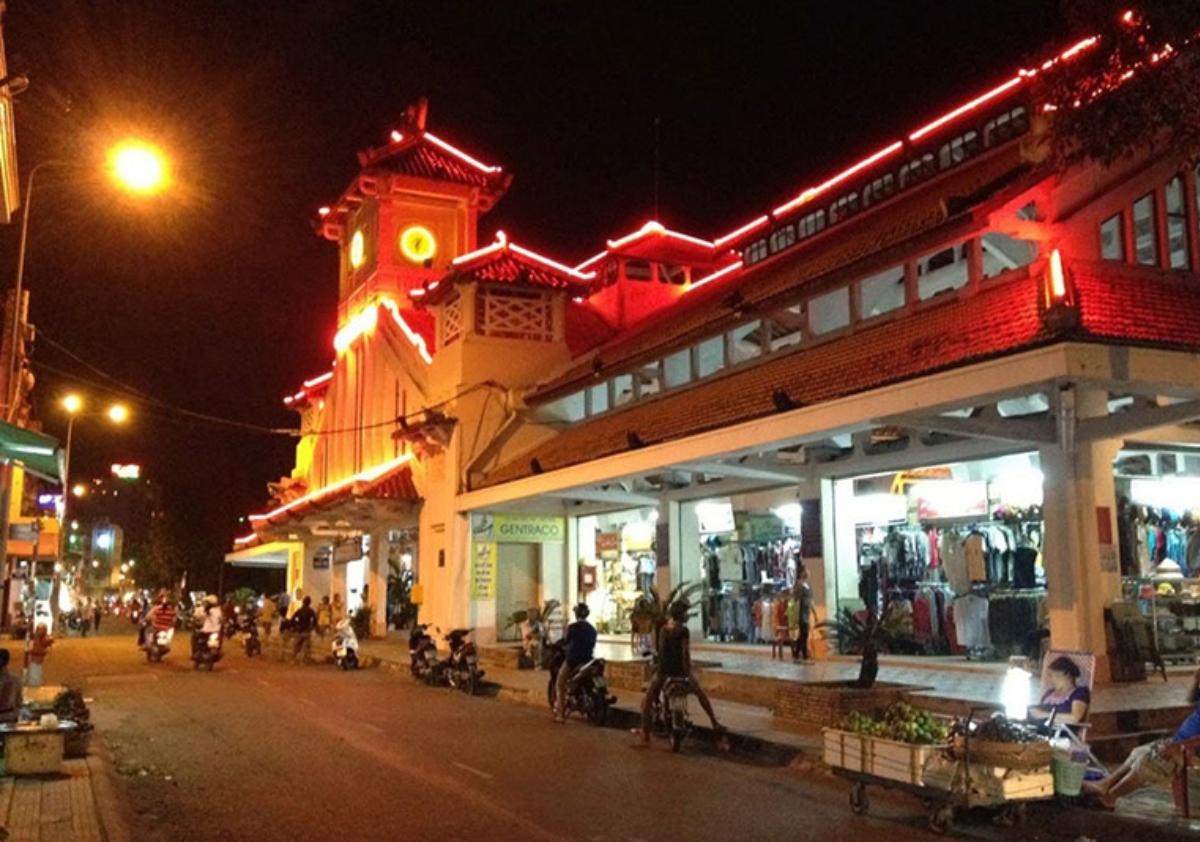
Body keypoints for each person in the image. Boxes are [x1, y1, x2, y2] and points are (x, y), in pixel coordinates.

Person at [1083, 668, 1200, 807]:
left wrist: (1179, 747)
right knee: (1139, 752)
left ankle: (1111, 796)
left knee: (1146, 764)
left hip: (1189, 750)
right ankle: (1106, 784)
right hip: (1178, 743)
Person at [635, 600, 726, 747]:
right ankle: (714, 722)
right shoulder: (683, 631)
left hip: (664, 671)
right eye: (685, 612)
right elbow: (685, 653)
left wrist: (660, 666)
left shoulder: (665, 629)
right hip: (680, 670)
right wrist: (687, 671)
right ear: (681, 614)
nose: (687, 615)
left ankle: (645, 734)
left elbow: (661, 651)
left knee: (648, 700)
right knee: (700, 694)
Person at [553, 604, 597, 723]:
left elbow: (565, 641)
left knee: (560, 684)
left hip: (573, 660)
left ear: (576, 614)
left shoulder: (573, 628)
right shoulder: (592, 629)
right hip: (588, 660)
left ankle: (560, 715)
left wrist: (556, 645)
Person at [1029, 656, 1090, 724]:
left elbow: (1075, 718)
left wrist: (1044, 715)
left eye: (1056, 676)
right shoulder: (1049, 693)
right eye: (1051, 676)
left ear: (1067, 675)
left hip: (1057, 731)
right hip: (1036, 727)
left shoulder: (1079, 693)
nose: (1052, 679)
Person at [791, 568, 816, 663]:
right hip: (802, 613)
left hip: (807, 612)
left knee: (803, 635)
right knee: (804, 634)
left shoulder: (808, 586)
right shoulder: (800, 585)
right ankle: (804, 655)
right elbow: (796, 598)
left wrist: (814, 613)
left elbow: (810, 601)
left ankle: (797, 654)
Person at [291, 596, 317, 663]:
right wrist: (313, 627)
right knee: (306, 647)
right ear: (309, 603)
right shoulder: (311, 611)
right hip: (307, 630)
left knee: (296, 646)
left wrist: (295, 626)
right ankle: (304, 660)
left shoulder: (299, 610)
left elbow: (292, 619)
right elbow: (315, 621)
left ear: (303, 602)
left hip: (299, 630)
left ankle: (294, 659)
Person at [0, 649, 23, 724]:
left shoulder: (15, 680)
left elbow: (18, 703)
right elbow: (18, 703)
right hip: (9, 719)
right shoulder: (16, 680)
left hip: (9, 719)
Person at [26, 623, 53, 688]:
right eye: (40, 630)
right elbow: (31, 648)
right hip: (34, 658)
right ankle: (34, 683)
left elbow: (48, 645)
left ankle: (37, 682)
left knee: (38, 670)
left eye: (42, 630)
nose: (41, 631)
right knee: (34, 670)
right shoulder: (35, 639)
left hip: (38, 659)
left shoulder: (45, 639)